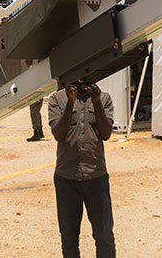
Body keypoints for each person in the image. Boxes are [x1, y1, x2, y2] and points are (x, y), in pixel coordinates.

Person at [48, 81, 116, 258]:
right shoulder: (57, 99)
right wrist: (70, 103)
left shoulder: (104, 98)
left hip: (96, 177)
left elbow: (106, 133)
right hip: (67, 178)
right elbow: (58, 134)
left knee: (104, 235)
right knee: (69, 238)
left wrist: (97, 102)